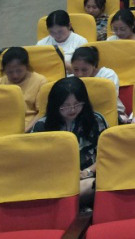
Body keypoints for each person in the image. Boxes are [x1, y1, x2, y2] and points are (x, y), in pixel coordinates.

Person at [30, 77, 108, 206]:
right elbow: (35, 161)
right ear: (55, 105)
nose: (72, 110)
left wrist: (88, 171)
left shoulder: (96, 120)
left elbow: (107, 155)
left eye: (77, 104)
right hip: (53, 180)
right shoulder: (41, 126)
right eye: (65, 106)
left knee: (92, 185)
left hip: (87, 178)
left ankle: (62, 206)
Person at [0, 46, 48, 130]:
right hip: (3, 124)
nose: (15, 75)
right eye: (10, 72)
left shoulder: (40, 81)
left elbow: (41, 113)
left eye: (19, 71)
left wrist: (25, 130)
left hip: (28, 125)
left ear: (27, 67)